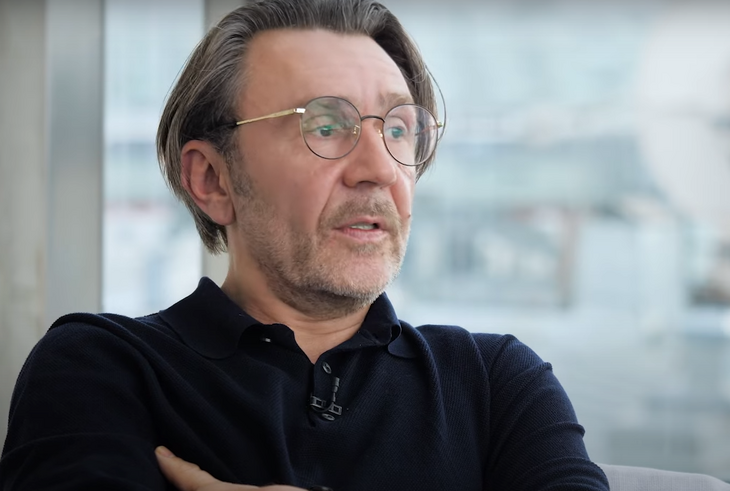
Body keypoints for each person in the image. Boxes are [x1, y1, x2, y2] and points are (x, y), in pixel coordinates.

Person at [0, 1, 609, 490]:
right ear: (212, 179)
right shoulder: (101, 369)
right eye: (325, 125)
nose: (380, 169)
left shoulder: (496, 383)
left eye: (399, 128)